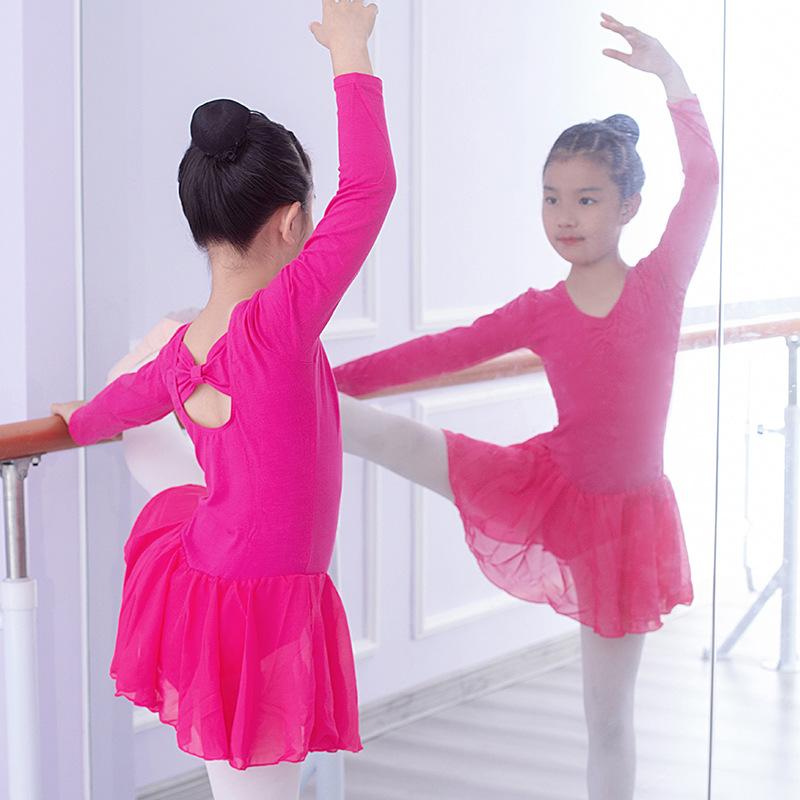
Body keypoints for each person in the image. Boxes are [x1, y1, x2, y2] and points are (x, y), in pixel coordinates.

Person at [334, 14, 718, 800]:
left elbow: (706, 178)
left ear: (629, 207)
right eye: (551, 199)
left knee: (607, 717)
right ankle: (306, 394)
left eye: (585, 199)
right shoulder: (541, 310)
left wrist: (671, 76)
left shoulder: (660, 284)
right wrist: (340, 377)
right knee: (407, 443)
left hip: (628, 525)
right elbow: (438, 353)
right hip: (554, 489)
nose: (565, 217)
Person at [51, 1, 395, 798]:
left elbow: (123, 406)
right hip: (262, 600)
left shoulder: (181, 356)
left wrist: (78, 421)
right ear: (292, 223)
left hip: (213, 583)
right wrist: (350, 48)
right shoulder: (278, 326)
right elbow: (371, 188)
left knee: (245, 784)